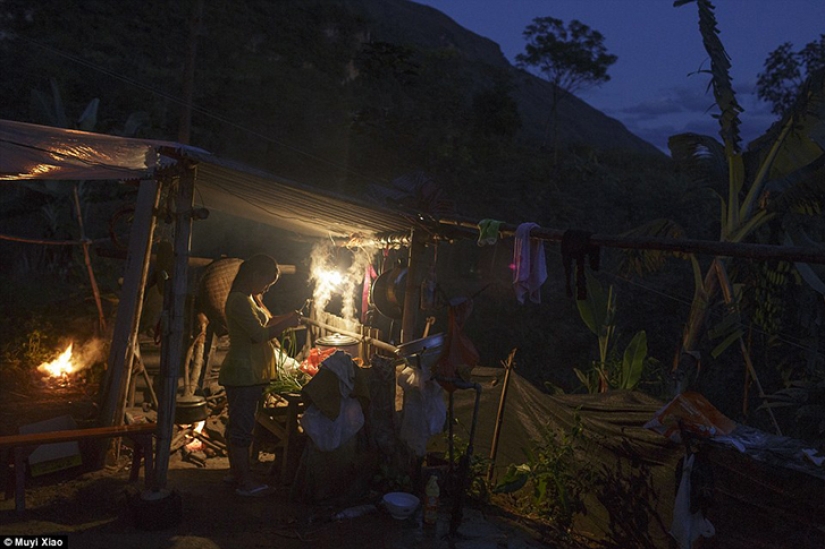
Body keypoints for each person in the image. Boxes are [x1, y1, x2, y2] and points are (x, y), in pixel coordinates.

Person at [219, 254, 302, 496]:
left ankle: (235, 474)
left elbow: (266, 322)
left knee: (239, 424)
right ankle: (245, 483)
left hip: (252, 373)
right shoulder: (238, 301)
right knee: (242, 428)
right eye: (267, 282)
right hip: (243, 373)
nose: (266, 288)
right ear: (255, 275)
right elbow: (259, 335)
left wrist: (288, 317)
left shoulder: (251, 299)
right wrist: (286, 325)